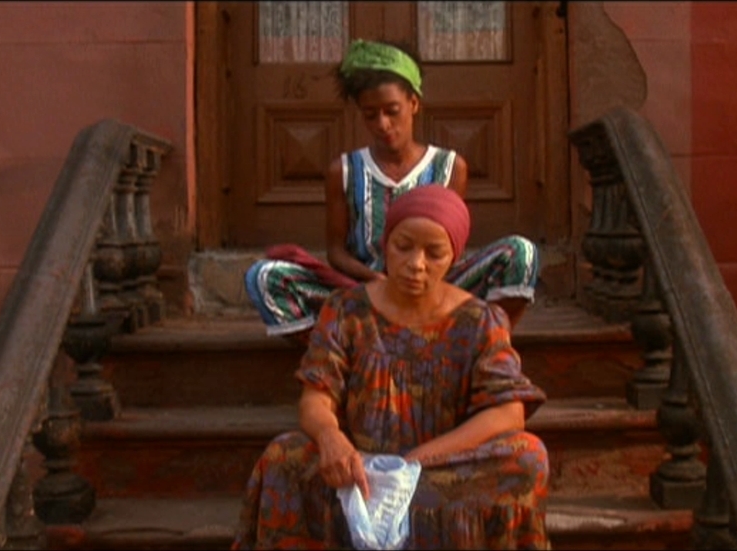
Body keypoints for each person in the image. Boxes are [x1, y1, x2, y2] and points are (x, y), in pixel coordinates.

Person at [231, 185, 550, 550]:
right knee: (282, 456)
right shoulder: (346, 310)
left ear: (453, 257)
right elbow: (316, 397)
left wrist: (415, 463)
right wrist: (331, 439)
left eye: (434, 253)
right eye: (404, 246)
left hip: (437, 468)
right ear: (386, 245)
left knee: (528, 456)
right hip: (361, 468)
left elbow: (508, 413)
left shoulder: (480, 320)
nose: (416, 264)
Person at [244, 39, 539, 345]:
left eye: (392, 111)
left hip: (433, 289)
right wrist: (378, 281)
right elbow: (336, 252)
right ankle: (345, 358)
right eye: (370, 114)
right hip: (366, 295)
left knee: (520, 254)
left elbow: (449, 247)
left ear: (414, 103)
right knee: (264, 276)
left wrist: (419, 280)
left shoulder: (450, 167)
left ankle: (476, 349)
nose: (383, 123)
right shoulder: (343, 171)